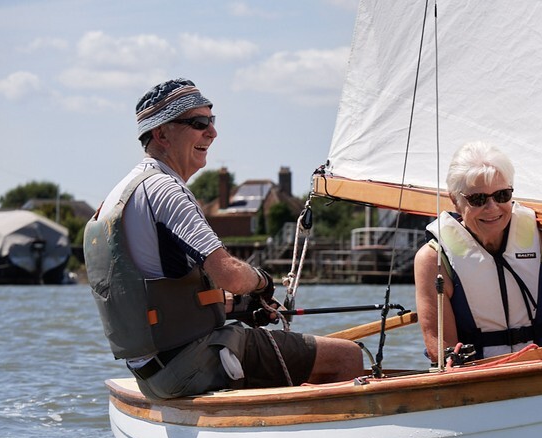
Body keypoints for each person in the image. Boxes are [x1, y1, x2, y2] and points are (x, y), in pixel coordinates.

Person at [84, 78, 363, 399]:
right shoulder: (166, 190)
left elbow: (159, 297)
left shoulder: (117, 198)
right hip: (191, 363)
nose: (212, 132)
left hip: (153, 372)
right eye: (198, 123)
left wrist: (238, 306)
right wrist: (260, 282)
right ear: (160, 133)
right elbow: (228, 273)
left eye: (211, 121)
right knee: (346, 356)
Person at [414, 141, 542, 365]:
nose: (492, 207)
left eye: (502, 195)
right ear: (456, 201)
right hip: (476, 379)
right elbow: (442, 350)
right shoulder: (433, 261)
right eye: (478, 199)